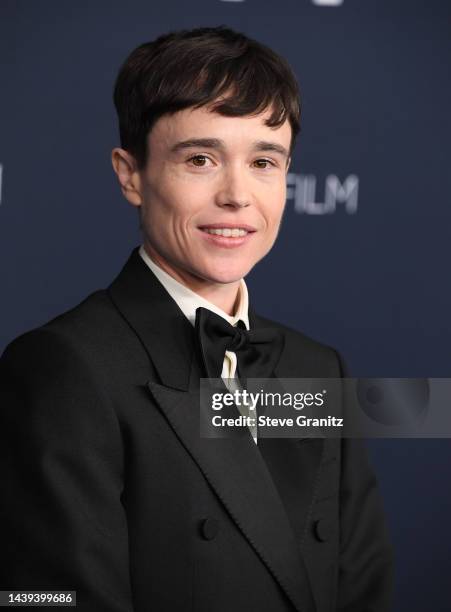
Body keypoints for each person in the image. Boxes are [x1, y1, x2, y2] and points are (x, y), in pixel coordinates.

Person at [0, 26, 393, 612]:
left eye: (264, 161)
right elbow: (43, 598)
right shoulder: (63, 368)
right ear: (131, 174)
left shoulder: (318, 368)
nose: (237, 195)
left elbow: (362, 587)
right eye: (201, 159)